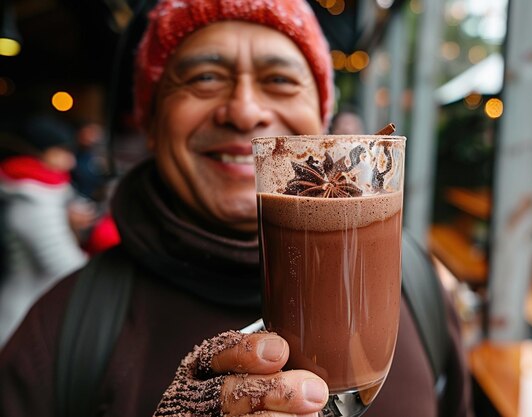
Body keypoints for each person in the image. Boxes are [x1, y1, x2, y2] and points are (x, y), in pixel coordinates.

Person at [0, 1, 472, 416]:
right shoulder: (59, 335)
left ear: (323, 119)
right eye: (205, 77)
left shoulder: (418, 285)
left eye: (281, 80)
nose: (245, 112)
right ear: (150, 120)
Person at [0, 115, 88, 347]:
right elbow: (63, 265)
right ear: (37, 152)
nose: (70, 161)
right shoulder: (33, 198)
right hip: (24, 318)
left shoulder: (43, 189)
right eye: (61, 151)